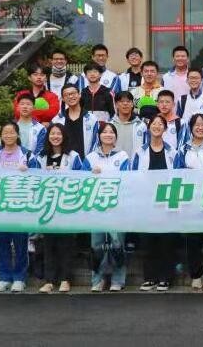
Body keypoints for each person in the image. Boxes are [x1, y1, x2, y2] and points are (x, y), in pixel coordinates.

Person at [28, 124, 82, 293]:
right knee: (48, 244)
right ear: (48, 136)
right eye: (52, 133)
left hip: (67, 205)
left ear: (64, 136)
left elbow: (81, 178)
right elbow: (33, 178)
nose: (55, 137)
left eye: (59, 134)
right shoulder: (40, 157)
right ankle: (49, 280)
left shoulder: (73, 156)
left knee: (66, 244)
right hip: (47, 206)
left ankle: (66, 279)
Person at [0, 122, 32, 293]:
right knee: (2, 242)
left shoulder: (27, 154)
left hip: (20, 203)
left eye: (12, 132)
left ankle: (19, 278)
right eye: (5, 133)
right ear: (1, 136)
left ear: (18, 135)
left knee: (20, 243)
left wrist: (28, 170)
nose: (8, 135)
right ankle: (4, 278)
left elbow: (37, 175)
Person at [173, 114, 203, 291]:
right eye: (196, 125)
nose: (200, 128)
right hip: (190, 199)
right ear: (191, 128)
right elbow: (178, 171)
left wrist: (193, 172)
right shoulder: (183, 148)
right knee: (192, 239)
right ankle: (196, 274)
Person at [81, 122, 130, 292]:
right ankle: (98, 279)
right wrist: (90, 175)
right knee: (97, 244)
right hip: (96, 206)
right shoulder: (90, 158)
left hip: (117, 206)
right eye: (105, 132)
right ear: (99, 136)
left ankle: (118, 279)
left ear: (116, 137)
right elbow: (82, 180)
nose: (108, 135)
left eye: (111, 132)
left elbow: (127, 179)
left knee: (117, 243)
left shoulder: (122, 156)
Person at [132, 115, 178, 292]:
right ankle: (150, 278)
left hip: (167, 200)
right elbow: (133, 175)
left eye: (160, 124)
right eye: (154, 123)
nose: (157, 126)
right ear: (149, 127)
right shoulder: (140, 152)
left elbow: (179, 175)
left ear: (165, 129)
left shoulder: (173, 152)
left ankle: (166, 278)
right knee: (148, 241)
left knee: (167, 241)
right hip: (146, 201)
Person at [52, 83, 100, 159]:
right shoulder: (57, 120)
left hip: (86, 162)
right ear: (63, 99)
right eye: (66, 95)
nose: (70, 96)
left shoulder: (92, 119)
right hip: (64, 162)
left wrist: (89, 161)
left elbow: (96, 142)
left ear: (79, 95)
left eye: (73, 93)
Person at [110, 91, 148, 158]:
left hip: (134, 163)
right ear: (116, 105)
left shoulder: (141, 126)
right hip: (114, 162)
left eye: (128, 101)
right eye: (122, 101)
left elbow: (146, 147)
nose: (125, 104)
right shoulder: (110, 125)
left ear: (132, 104)